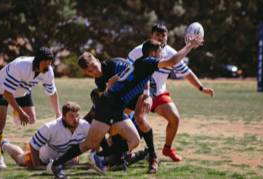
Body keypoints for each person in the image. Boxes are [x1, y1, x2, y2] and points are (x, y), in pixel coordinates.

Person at [47, 36, 203, 179]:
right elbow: (173, 60)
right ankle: (57, 165)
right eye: (160, 51)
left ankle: (98, 157)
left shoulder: (140, 63)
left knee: (133, 140)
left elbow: (115, 78)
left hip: (114, 105)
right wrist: (189, 46)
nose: (162, 54)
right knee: (89, 143)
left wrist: (122, 89)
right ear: (152, 52)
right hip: (109, 105)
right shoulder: (148, 62)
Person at [128, 23, 215, 162]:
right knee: (134, 126)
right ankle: (125, 152)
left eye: (163, 35)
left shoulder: (171, 53)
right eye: (157, 35)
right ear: (152, 36)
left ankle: (167, 148)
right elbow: (126, 71)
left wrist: (201, 88)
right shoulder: (138, 51)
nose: (161, 38)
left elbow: (187, 73)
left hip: (159, 94)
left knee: (175, 118)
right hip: (138, 94)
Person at [78, 55, 158, 173]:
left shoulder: (116, 65)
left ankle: (153, 157)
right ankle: (124, 157)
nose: (95, 71)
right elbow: (107, 102)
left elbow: (143, 71)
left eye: (94, 66)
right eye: (90, 71)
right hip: (126, 98)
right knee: (114, 122)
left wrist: (147, 94)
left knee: (139, 118)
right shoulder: (98, 80)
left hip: (143, 88)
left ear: (98, 60)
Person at [0, 47, 61, 169]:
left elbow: (52, 93)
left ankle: (4, 143)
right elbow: (7, 94)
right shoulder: (21, 66)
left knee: (32, 119)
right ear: (37, 60)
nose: (48, 65)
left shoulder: (48, 72)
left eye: (50, 62)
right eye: (45, 62)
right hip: (2, 90)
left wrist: (58, 113)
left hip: (22, 91)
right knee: (0, 124)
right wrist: (20, 112)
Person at [0, 101, 89, 169]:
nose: (75, 119)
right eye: (71, 116)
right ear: (63, 117)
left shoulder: (84, 125)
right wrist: (37, 166)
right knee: (20, 159)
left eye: (77, 115)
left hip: (62, 160)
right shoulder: (51, 127)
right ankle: (5, 145)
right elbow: (33, 145)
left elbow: (94, 140)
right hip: (42, 158)